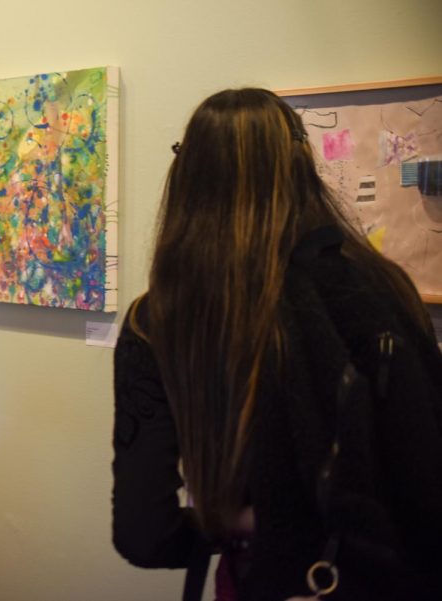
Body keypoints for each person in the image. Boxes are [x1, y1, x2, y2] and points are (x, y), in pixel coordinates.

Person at [111, 88, 442, 600]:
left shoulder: (162, 319)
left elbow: (143, 534)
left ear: (189, 177)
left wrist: (232, 521)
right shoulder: (384, 286)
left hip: (269, 579)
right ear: (301, 169)